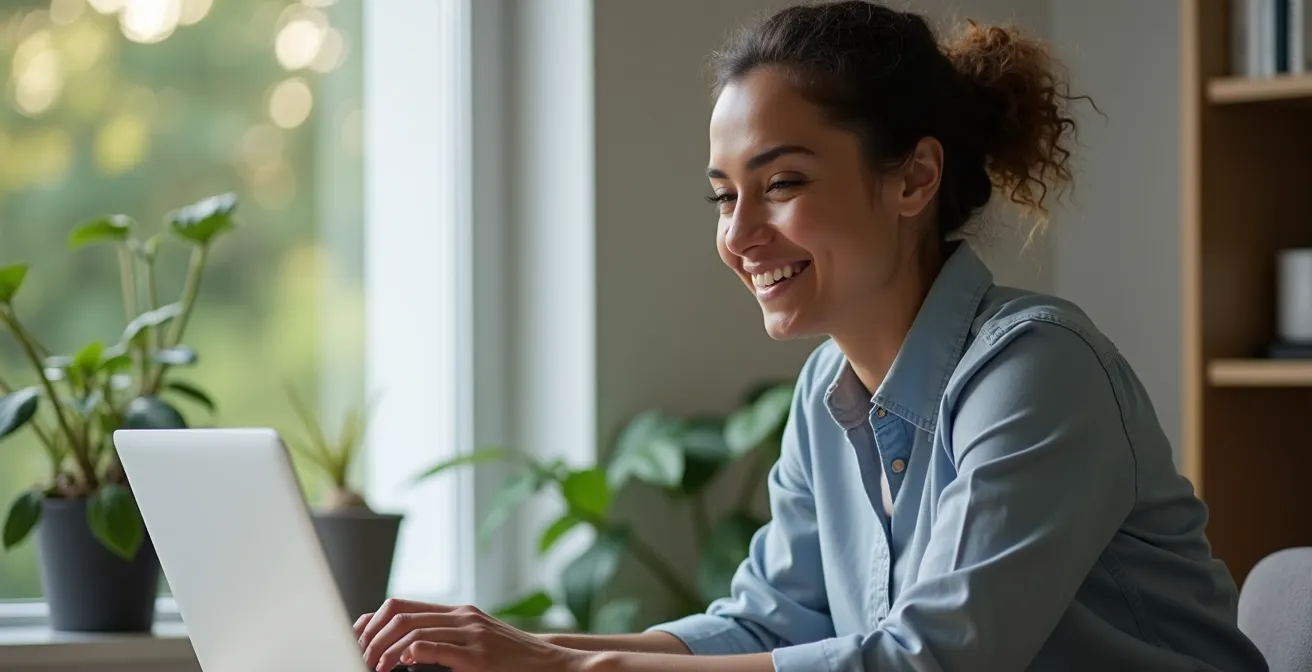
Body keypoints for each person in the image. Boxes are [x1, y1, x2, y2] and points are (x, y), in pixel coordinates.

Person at [354, 2, 1269, 670]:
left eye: (781, 183)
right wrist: (505, 647)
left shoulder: (1037, 371)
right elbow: (768, 623)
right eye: (724, 195)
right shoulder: (828, 392)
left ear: (913, 179)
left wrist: (572, 670)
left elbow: (934, 661)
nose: (740, 233)